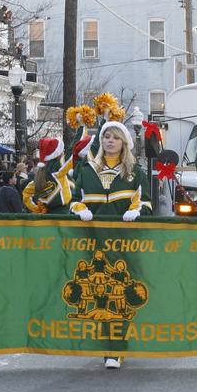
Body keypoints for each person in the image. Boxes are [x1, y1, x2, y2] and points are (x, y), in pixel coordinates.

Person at [69, 122, 152, 370]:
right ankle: (107, 346)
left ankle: (114, 351)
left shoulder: (135, 172)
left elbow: (146, 203)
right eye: (106, 136)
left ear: (124, 143)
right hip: (93, 242)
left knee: (119, 296)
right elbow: (73, 201)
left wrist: (136, 211)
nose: (109, 141)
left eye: (115, 137)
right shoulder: (86, 170)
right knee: (97, 294)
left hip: (124, 243)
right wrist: (80, 210)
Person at [22, 138, 75, 214]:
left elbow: (26, 194)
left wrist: (38, 209)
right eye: (62, 150)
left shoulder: (41, 173)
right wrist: (81, 128)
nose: (64, 152)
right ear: (57, 154)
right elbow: (72, 151)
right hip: (63, 215)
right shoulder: (57, 168)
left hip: (47, 218)